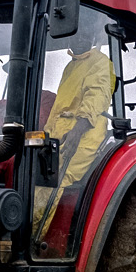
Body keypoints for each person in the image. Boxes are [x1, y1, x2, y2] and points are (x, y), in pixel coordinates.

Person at [31, 28, 115, 236]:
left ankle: (33, 238)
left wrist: (77, 131)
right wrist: (47, 136)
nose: (80, 40)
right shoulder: (71, 66)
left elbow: (96, 98)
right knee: (33, 175)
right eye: (76, 35)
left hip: (83, 136)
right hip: (60, 136)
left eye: (85, 35)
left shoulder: (100, 63)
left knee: (55, 178)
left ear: (93, 37)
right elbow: (61, 108)